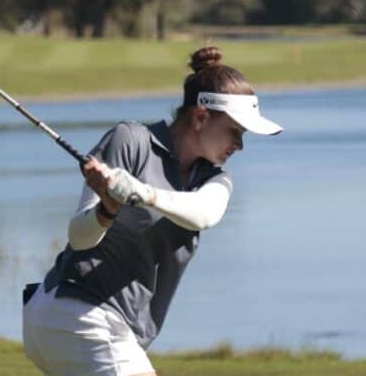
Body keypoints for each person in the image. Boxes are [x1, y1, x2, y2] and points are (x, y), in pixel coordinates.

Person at [22, 46, 283, 375]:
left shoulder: (214, 179)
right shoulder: (130, 140)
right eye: (236, 132)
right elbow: (80, 238)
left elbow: (205, 213)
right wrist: (108, 208)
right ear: (202, 116)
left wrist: (141, 192)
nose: (240, 145)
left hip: (101, 327)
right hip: (77, 313)